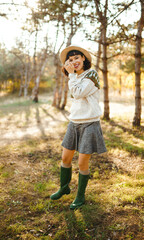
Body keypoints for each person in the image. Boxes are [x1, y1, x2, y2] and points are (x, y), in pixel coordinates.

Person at [50, 45, 107, 210]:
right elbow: (76, 93)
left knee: (82, 163)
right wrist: (73, 77)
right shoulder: (74, 77)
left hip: (90, 123)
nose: (74, 61)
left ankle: (80, 196)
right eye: (70, 59)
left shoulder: (92, 75)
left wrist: (72, 76)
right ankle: (64, 187)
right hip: (74, 122)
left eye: (77, 58)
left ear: (83, 58)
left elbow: (77, 93)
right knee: (65, 159)